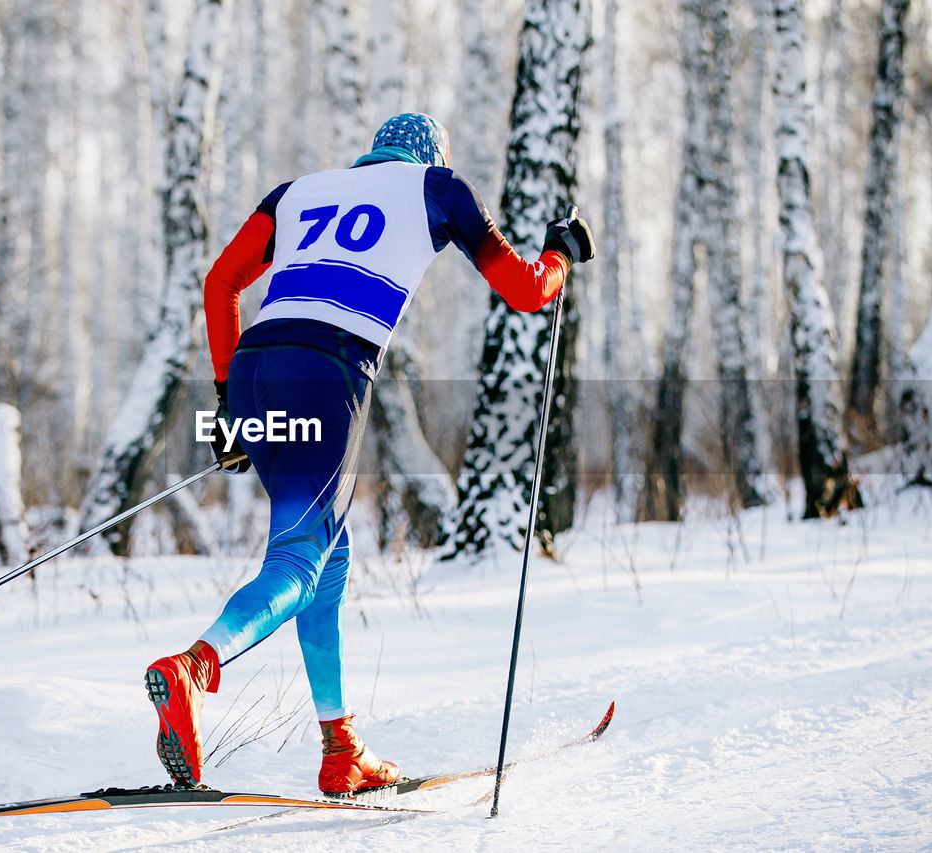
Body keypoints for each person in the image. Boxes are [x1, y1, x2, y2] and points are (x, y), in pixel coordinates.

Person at [145, 113, 595, 797]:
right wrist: (561, 254)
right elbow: (527, 290)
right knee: (299, 557)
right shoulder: (437, 188)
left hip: (257, 363)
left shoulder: (295, 192)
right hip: (327, 370)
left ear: (371, 153)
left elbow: (220, 283)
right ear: (429, 155)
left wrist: (230, 399)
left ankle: (340, 748)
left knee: (332, 552)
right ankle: (194, 669)